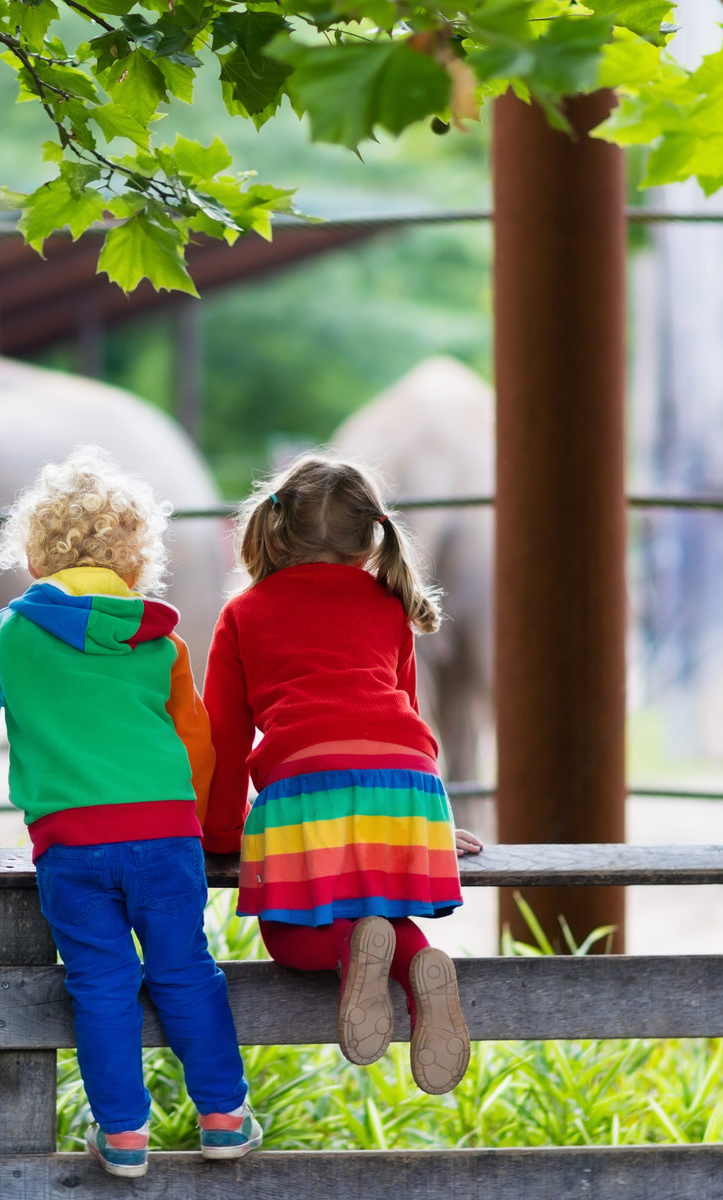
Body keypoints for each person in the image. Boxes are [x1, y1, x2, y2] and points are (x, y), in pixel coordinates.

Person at [0, 447, 260, 1177]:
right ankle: (226, 1119)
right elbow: (196, 739)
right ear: (136, 557)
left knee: (101, 983)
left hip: (71, 846)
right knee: (185, 972)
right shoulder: (158, 638)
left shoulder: (10, 632)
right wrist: (204, 830)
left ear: (35, 551)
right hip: (169, 837)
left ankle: (125, 1136)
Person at [201, 453, 485, 1096]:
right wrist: (435, 824)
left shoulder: (244, 614)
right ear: (368, 540)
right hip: (410, 791)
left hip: (306, 783)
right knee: (382, 915)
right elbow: (403, 720)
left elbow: (223, 735)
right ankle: (418, 968)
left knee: (290, 937)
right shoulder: (391, 606)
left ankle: (350, 948)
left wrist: (220, 834)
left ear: (274, 530)